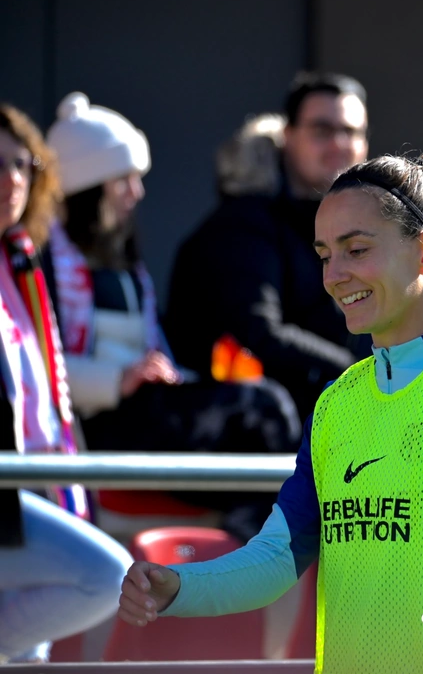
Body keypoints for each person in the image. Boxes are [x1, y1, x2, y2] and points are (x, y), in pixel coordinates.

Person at [117, 153, 423, 673]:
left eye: (357, 249)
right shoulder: (337, 401)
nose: (335, 275)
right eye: (325, 254)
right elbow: (277, 556)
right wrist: (180, 587)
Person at [44, 92, 301, 541]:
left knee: (265, 406)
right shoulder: (44, 261)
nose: (136, 193)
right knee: (265, 408)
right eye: (123, 180)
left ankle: (254, 533)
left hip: (147, 409)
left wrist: (169, 376)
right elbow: (36, 367)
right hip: (98, 426)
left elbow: (151, 346)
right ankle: (258, 540)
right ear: (89, 185)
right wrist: (118, 378)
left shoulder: (123, 260)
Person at [0, 103, 133, 664]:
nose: (11, 178)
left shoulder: (20, 260)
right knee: (107, 576)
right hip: (9, 490)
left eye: (21, 164)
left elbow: (43, 394)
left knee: (31, 655)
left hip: (32, 483)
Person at [164, 71, 372, 418]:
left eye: (351, 132)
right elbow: (258, 333)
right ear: (287, 136)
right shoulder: (244, 223)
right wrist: (362, 372)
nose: (339, 144)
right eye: (322, 130)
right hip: (257, 446)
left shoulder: (355, 224)